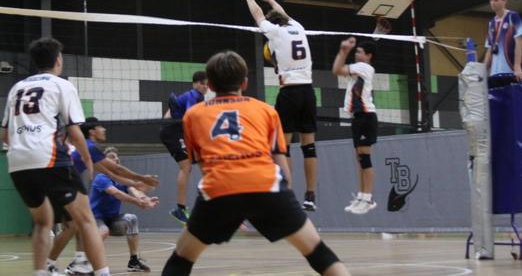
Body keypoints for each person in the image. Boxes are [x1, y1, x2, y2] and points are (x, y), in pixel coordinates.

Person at [161, 50, 350, 276]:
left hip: (220, 188)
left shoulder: (193, 116)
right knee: (318, 252)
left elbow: (203, 166)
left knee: (181, 259)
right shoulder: (266, 111)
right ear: (245, 82)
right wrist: (283, 204)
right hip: (267, 185)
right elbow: (282, 163)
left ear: (209, 85)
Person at [0, 37, 110, 276]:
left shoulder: (16, 88)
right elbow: (74, 131)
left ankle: (41, 273)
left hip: (17, 162)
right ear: (58, 60)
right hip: (48, 157)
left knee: (42, 222)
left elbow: (5, 137)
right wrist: (88, 160)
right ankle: (103, 273)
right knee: (86, 220)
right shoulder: (62, 85)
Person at [235, 0, 319, 211]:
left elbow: (257, 14)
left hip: (290, 92)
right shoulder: (297, 26)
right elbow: (281, 12)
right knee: (309, 147)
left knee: (283, 147)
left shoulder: (274, 31)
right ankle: (311, 195)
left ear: (273, 23)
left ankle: (289, 193)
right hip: (309, 92)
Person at [47, 118, 159, 275]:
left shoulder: (86, 149)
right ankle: (51, 264)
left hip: (65, 183)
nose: (104, 129)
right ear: (92, 131)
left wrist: (137, 185)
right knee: (72, 226)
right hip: (61, 183)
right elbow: (117, 170)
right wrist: (142, 178)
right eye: (101, 127)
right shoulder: (89, 146)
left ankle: (79, 263)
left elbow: (112, 173)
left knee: (77, 224)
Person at [90, 147, 159, 272]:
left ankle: (134, 261)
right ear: (104, 162)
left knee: (131, 219)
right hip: (94, 219)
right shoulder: (101, 178)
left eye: (117, 156)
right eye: (112, 156)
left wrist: (146, 199)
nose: (116, 158)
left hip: (111, 220)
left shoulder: (121, 180)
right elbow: (117, 193)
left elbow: (134, 191)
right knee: (104, 230)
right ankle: (85, 261)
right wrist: (138, 202)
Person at [332, 37, 378, 215]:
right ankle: (361, 196)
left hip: (366, 117)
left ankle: (368, 198)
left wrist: (343, 51)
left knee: (365, 160)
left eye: (359, 52)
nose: (356, 54)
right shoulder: (359, 70)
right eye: (356, 51)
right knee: (360, 159)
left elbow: (336, 70)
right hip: (359, 117)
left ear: (368, 56)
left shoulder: (364, 67)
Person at [159, 71, 209, 223]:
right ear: (194, 84)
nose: (204, 86)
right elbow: (189, 118)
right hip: (172, 130)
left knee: (196, 166)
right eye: (201, 83)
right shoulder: (193, 96)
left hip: (177, 130)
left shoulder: (199, 98)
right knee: (186, 168)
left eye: (206, 84)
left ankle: (191, 207)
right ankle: (180, 209)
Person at [483, 0, 522, 88]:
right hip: (496, 72)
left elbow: (519, 42)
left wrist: (517, 66)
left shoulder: (513, 17)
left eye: (496, 0)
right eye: (491, 0)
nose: (493, 3)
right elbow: (489, 49)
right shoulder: (491, 23)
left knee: (517, 101)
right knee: (498, 102)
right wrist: (483, 70)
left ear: (504, 1)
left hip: (512, 70)